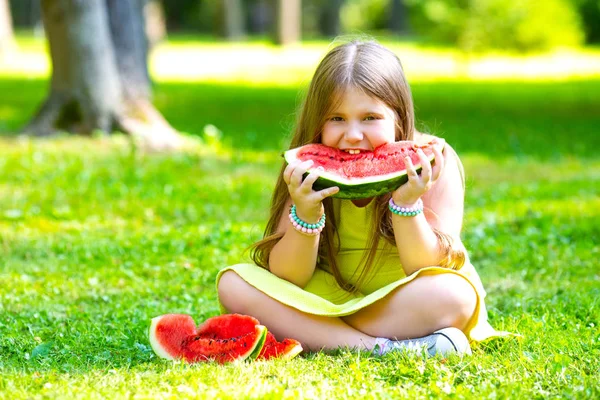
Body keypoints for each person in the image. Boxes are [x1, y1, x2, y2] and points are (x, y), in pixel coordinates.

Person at [216, 40, 509, 357]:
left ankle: (319, 332)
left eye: (370, 118)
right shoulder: (308, 169)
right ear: (317, 123)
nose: (353, 135)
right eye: (336, 119)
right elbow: (289, 276)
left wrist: (407, 205)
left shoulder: (432, 161)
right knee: (232, 284)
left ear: (398, 117)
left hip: (404, 297)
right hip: (326, 294)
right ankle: (379, 348)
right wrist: (307, 213)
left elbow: (423, 265)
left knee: (454, 296)